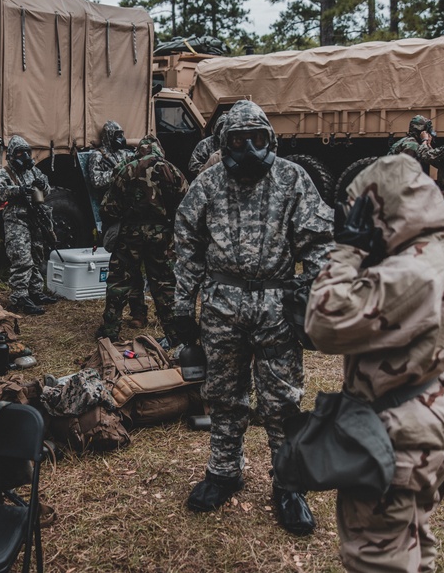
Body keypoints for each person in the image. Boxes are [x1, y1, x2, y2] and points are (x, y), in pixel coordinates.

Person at [305, 154, 444, 572]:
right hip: (431, 406)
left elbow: (323, 323)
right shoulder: (440, 253)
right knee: (412, 534)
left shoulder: (408, 270)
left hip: (400, 427)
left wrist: (348, 251)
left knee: (378, 553)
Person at [173, 100, 332, 535]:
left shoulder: (292, 178)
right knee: (225, 395)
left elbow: (319, 239)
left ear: (270, 140)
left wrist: (313, 293)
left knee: (281, 402)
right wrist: (182, 308)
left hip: (278, 308)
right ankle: (224, 471)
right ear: (223, 142)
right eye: (237, 141)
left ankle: (288, 485)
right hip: (222, 306)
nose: (247, 149)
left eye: (256, 139)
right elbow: (187, 244)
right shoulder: (207, 184)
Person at [96, 135, 188, 344]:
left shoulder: (127, 169)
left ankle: (110, 330)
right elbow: (185, 205)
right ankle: (174, 334)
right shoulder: (172, 170)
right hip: (162, 234)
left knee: (119, 281)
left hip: (130, 234)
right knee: (165, 283)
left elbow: (108, 207)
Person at [86, 120, 148, 328]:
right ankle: (114, 319)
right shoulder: (97, 156)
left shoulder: (126, 154)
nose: (121, 138)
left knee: (135, 268)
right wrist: (118, 174)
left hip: (133, 214)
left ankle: (138, 312)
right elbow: (95, 181)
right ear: (108, 136)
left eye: (122, 134)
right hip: (114, 216)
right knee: (120, 270)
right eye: (116, 135)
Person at [0, 135, 57, 315]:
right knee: (21, 258)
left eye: (27, 153)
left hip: (34, 219)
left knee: (36, 255)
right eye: (20, 153)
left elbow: (47, 189)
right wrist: (18, 190)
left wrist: (43, 185)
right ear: (11, 155)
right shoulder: (5, 173)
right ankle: (19, 296)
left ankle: (35, 292)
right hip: (16, 220)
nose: (25, 157)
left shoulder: (33, 171)